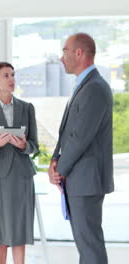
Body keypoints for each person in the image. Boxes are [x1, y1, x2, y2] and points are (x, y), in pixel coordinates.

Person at [48, 33, 113, 264]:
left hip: (86, 181)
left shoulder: (95, 87)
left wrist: (60, 170)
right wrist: (55, 159)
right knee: (86, 246)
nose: (62, 57)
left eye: (65, 51)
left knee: (90, 247)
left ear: (79, 53)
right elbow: (67, 131)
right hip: (79, 179)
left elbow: (80, 137)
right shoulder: (84, 85)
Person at [0, 62, 39, 264]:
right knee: (0, 234)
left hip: (22, 176)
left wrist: (23, 146)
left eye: (12, 74)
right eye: (6, 76)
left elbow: (34, 146)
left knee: (19, 232)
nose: (11, 79)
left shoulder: (27, 108)